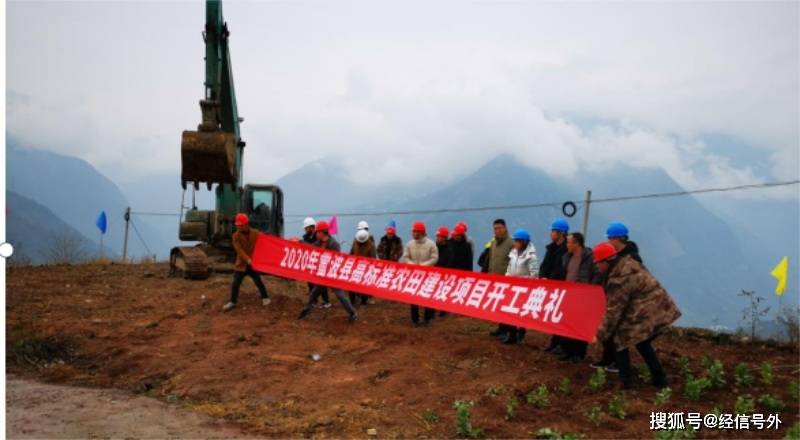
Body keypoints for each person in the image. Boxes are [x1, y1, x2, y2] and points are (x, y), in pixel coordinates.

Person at [592, 242, 681, 389]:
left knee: (621, 338)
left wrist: (599, 333)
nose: (596, 267)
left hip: (650, 310)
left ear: (606, 261)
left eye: (598, 263)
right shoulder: (625, 265)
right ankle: (658, 379)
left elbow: (614, 311)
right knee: (641, 342)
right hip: (657, 306)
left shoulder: (619, 278)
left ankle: (626, 380)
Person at [298, 221, 359, 322]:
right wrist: (300, 242)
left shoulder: (334, 244)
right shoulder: (319, 243)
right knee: (314, 293)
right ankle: (306, 310)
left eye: (317, 232)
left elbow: (336, 261)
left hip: (332, 275)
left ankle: (353, 313)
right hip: (323, 275)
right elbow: (311, 248)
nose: (316, 234)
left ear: (322, 232)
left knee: (340, 295)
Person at [558, 232, 601, 361]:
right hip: (569, 295)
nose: (567, 245)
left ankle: (578, 353)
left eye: (569, 242)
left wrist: (590, 291)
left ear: (577, 243)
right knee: (567, 324)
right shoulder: (567, 257)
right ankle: (567, 351)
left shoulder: (590, 257)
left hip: (583, 297)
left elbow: (597, 274)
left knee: (580, 325)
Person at [223, 213, 270, 312]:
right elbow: (239, 250)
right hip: (242, 264)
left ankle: (265, 298)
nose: (239, 227)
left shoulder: (255, 233)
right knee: (235, 283)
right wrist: (248, 259)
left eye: (240, 225)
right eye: (238, 226)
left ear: (246, 224)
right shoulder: (235, 236)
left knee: (258, 281)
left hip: (253, 264)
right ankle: (233, 302)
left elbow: (266, 239)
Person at [501, 229, 538, 344]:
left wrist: (522, 282)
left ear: (524, 242)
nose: (515, 243)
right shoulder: (513, 254)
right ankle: (511, 334)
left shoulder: (531, 257)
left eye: (517, 241)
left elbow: (534, 274)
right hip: (513, 288)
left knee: (521, 312)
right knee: (511, 311)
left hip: (524, 289)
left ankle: (521, 333)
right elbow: (509, 269)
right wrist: (507, 279)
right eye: (515, 241)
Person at [400, 221, 439, 326]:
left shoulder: (431, 244)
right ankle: (415, 319)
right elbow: (405, 257)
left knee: (427, 297)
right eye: (413, 232)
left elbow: (434, 258)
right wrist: (412, 264)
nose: (414, 234)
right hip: (414, 276)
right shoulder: (409, 244)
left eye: (416, 232)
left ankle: (428, 318)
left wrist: (423, 266)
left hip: (428, 275)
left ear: (422, 232)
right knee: (413, 297)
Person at [540, 218, 570, 353]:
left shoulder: (567, 250)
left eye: (553, 231)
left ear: (561, 233)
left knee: (561, 316)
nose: (551, 233)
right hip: (551, 286)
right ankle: (554, 342)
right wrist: (543, 277)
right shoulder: (551, 248)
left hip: (562, 288)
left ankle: (562, 344)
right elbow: (545, 265)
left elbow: (562, 269)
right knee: (554, 314)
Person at [485, 219, 514, 340]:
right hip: (495, 280)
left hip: (507, 282)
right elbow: (490, 261)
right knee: (499, 306)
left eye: (499, 228)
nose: (497, 231)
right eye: (495, 228)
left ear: (505, 228)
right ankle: (501, 328)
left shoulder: (511, 243)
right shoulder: (493, 243)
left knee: (508, 307)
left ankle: (509, 331)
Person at [302, 217, 331, 309]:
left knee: (321, 283)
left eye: (307, 228)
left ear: (312, 227)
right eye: (305, 228)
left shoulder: (319, 237)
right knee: (310, 282)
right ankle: (314, 301)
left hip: (320, 263)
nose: (306, 230)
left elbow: (315, 247)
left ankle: (326, 301)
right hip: (310, 262)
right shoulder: (305, 237)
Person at [349, 228, 377, 306]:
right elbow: (351, 253)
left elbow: (373, 258)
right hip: (355, 267)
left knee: (363, 286)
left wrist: (370, 269)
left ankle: (363, 302)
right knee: (351, 285)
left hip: (366, 269)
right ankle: (352, 301)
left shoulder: (371, 245)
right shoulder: (355, 243)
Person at [434, 226, 453, 317]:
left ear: (444, 237)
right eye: (437, 236)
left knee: (443, 292)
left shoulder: (449, 249)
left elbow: (449, 262)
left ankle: (443, 310)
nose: (438, 238)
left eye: (440, 236)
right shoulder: (434, 247)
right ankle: (432, 310)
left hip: (445, 273)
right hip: (435, 273)